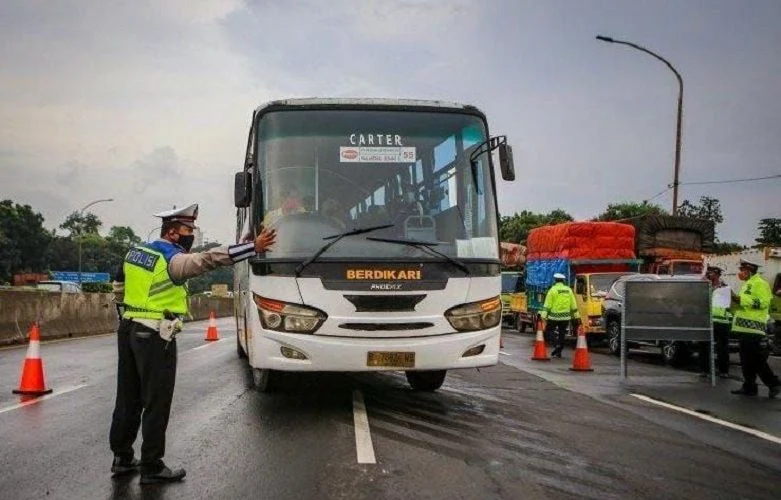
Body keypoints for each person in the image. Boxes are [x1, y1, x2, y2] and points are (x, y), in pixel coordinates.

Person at [109, 203, 276, 484]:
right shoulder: (171, 259)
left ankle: (122, 458)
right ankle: (152, 466)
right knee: (156, 401)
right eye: (188, 230)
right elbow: (207, 260)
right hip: (156, 334)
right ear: (173, 233)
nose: (191, 236)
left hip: (128, 330)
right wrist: (251, 248)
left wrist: (129, 310)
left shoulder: (135, 252)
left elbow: (118, 287)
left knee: (128, 397)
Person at [730, 259, 779, 398]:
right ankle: (749, 386)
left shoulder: (760, 284)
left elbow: (763, 303)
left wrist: (742, 300)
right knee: (745, 360)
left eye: (742, 270)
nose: (740, 273)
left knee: (756, 361)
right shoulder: (747, 284)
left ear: (749, 270)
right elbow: (745, 307)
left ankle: (774, 384)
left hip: (754, 328)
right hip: (744, 328)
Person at [698, 266, 732, 378]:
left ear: (717, 275)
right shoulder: (704, 286)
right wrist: (703, 282)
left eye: (710, 273)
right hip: (707, 321)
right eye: (707, 273)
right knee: (704, 346)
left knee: (722, 348)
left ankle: (723, 371)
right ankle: (704, 370)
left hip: (721, 322)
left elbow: (728, 304)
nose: (708, 275)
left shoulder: (724, 287)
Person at [541, 273, 580, 358]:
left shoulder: (552, 290)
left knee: (549, 331)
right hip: (565, 317)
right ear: (563, 281)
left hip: (554, 316)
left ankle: (556, 345)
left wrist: (543, 316)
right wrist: (576, 316)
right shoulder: (568, 290)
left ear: (555, 280)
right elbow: (573, 304)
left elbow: (548, 304)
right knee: (562, 333)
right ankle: (559, 350)